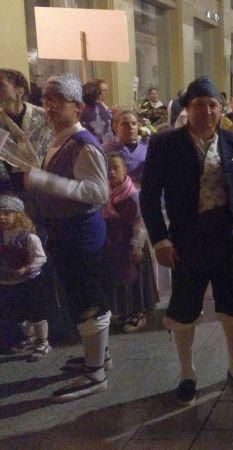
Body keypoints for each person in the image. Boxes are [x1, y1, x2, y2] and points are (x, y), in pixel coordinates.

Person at [140, 76, 233, 405]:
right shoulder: (165, 144)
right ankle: (187, 372)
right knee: (184, 308)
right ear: (187, 109)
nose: (206, 111)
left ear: (220, 109)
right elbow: (149, 197)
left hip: (229, 238)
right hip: (187, 240)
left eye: (212, 105)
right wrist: (160, 240)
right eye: (198, 105)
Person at [13, 73, 111, 401]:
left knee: (88, 301)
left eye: (58, 101)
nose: (49, 107)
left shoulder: (84, 144)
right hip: (65, 232)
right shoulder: (57, 138)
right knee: (82, 296)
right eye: (46, 100)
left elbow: (98, 192)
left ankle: (96, 373)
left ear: (78, 107)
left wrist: (44, 182)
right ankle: (98, 357)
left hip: (81, 233)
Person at [102, 153, 147, 332]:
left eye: (115, 168)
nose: (111, 172)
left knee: (131, 277)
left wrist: (136, 246)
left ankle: (137, 314)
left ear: (125, 170)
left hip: (129, 242)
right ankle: (121, 311)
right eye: (108, 169)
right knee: (117, 277)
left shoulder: (132, 194)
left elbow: (139, 222)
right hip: (112, 241)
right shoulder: (105, 191)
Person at [0, 195, 48, 360]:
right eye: (0, 213)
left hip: (28, 281)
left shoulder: (28, 237)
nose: (2, 217)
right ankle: (29, 337)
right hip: (7, 281)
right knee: (17, 312)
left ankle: (43, 341)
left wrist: (27, 268)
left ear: (19, 215)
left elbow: (41, 258)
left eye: (8, 213)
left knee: (35, 311)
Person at [0, 69, 51, 191]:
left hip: (42, 186)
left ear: (20, 90)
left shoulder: (44, 117)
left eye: (1, 86)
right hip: (7, 189)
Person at [102, 110, 148, 184]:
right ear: (115, 127)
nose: (130, 127)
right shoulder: (107, 149)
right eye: (125, 124)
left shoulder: (146, 149)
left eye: (134, 123)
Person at [80, 78, 113, 143]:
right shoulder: (101, 111)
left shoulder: (83, 111)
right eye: (104, 90)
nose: (107, 93)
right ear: (97, 92)